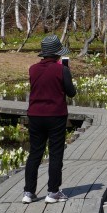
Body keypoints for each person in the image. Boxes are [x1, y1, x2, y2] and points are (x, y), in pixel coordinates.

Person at [24, 36, 76, 202]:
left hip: (35, 115)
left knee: (35, 154)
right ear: (57, 54)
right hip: (55, 115)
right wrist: (67, 72)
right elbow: (71, 92)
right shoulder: (62, 70)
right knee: (55, 154)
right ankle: (53, 192)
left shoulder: (33, 69)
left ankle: (28, 193)